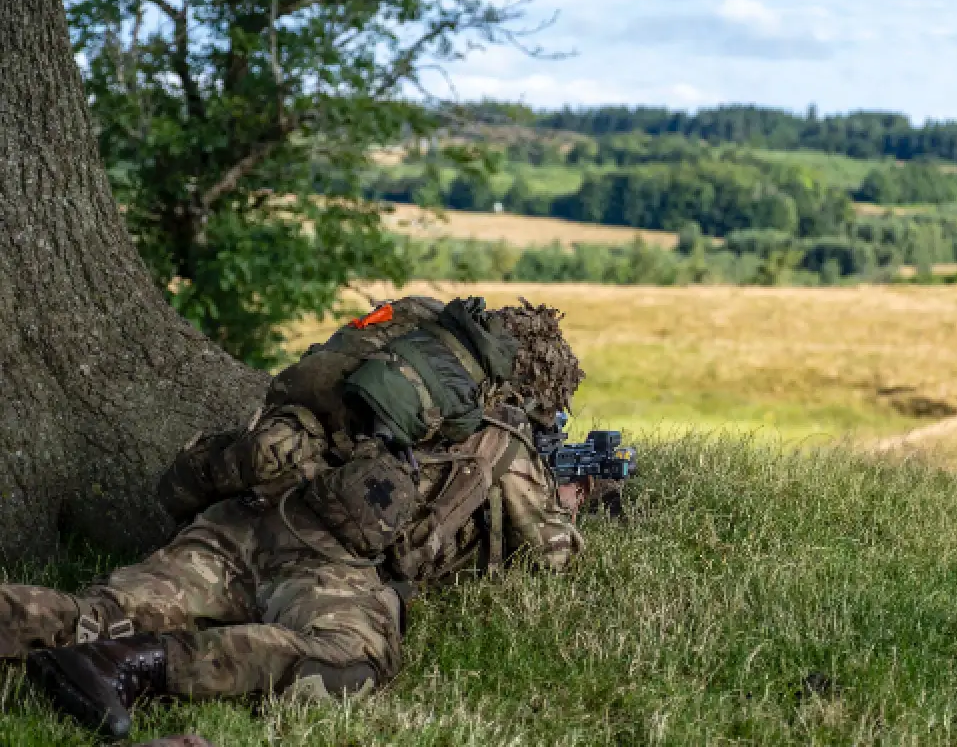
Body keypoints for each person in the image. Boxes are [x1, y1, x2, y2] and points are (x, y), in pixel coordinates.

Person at [0, 296, 597, 739]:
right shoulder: (501, 434)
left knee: (103, 612)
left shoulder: (386, 354)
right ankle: (147, 664)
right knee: (355, 658)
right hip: (321, 562)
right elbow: (552, 555)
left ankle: (77, 637)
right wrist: (568, 502)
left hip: (238, 513)